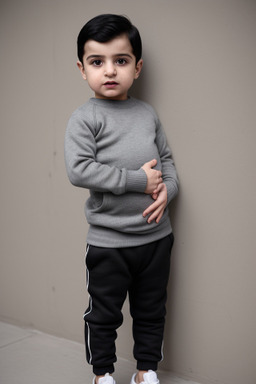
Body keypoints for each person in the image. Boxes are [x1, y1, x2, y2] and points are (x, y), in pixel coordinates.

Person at [64, 14, 178, 384]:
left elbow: (169, 164)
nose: (109, 71)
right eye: (97, 62)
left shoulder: (147, 114)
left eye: (121, 60)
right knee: (104, 313)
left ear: (137, 67)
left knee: (152, 310)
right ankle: (103, 374)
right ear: (83, 69)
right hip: (109, 242)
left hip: (155, 238)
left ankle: (146, 371)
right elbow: (79, 170)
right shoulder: (85, 118)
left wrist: (167, 191)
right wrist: (138, 181)